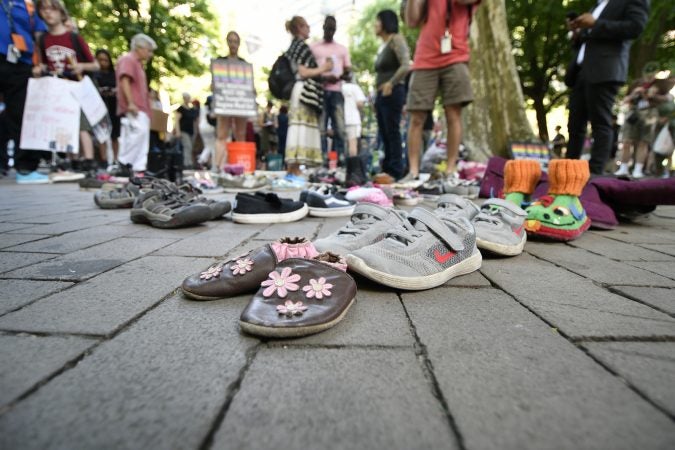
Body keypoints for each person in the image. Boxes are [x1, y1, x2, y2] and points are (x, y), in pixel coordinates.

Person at [564, 0, 649, 175]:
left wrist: (596, 23)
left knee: (600, 122)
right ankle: (568, 170)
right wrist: (577, 32)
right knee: (575, 124)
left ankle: (595, 172)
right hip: (581, 71)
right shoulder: (597, 5)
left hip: (605, 70)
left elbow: (635, 27)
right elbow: (589, 40)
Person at [402, 0, 481, 183]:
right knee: (416, 117)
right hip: (424, 58)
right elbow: (412, 21)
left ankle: (450, 170)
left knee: (453, 114)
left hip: (456, 55)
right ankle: (413, 171)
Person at [1, 0, 48, 183]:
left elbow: (39, 34)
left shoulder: (28, 5)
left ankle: (25, 168)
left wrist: (39, 63)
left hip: (21, 62)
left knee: (22, 115)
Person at [284, 16, 333, 175]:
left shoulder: (295, 46)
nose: (309, 29)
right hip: (304, 92)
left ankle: (294, 168)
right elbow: (303, 72)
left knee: (299, 127)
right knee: (301, 128)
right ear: (299, 27)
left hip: (301, 91)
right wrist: (324, 68)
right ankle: (295, 168)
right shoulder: (301, 47)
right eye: (306, 26)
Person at [374, 9, 410, 181]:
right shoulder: (384, 45)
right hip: (381, 95)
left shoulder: (396, 39)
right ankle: (387, 169)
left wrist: (391, 83)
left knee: (393, 131)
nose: (375, 24)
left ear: (386, 22)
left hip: (393, 92)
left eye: (378, 21)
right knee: (384, 132)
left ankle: (396, 169)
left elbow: (405, 64)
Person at [310, 16, 350, 164]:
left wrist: (339, 76)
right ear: (323, 27)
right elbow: (308, 71)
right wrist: (324, 77)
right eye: (328, 28)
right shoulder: (314, 47)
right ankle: (322, 160)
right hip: (319, 92)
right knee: (320, 128)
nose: (330, 31)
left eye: (332, 29)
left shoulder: (342, 49)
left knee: (339, 127)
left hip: (336, 91)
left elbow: (349, 72)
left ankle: (341, 160)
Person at [116, 33, 156, 176]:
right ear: (140, 47)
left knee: (142, 136)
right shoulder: (128, 60)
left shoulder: (138, 64)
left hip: (142, 107)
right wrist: (131, 103)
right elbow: (124, 81)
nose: (150, 54)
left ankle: (138, 168)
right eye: (149, 50)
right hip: (135, 107)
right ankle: (124, 163)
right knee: (136, 134)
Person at [214, 31, 247, 172]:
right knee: (222, 135)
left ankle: (240, 165)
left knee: (240, 135)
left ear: (239, 44)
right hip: (224, 104)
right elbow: (214, 84)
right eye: (231, 41)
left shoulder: (244, 64)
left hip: (240, 104)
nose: (233, 44)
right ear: (227, 42)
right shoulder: (220, 62)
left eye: (236, 41)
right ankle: (218, 165)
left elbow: (249, 87)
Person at [93, 49, 120, 166]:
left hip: (114, 107)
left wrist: (113, 91)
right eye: (100, 60)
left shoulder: (115, 75)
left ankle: (116, 160)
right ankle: (103, 159)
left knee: (115, 135)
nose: (103, 62)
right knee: (101, 134)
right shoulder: (93, 74)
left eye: (105, 60)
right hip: (99, 107)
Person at [341, 72, 367, 185]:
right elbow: (360, 104)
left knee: (340, 145)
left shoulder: (339, 87)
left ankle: (341, 169)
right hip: (352, 119)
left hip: (340, 119)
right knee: (353, 145)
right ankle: (354, 172)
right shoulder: (355, 87)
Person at [174, 92, 198, 169]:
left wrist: (196, 131)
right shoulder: (181, 109)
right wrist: (178, 131)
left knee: (190, 147)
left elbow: (195, 122)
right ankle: (187, 164)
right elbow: (176, 120)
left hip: (191, 131)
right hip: (183, 131)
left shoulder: (192, 109)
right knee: (187, 146)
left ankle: (189, 162)